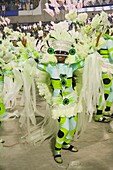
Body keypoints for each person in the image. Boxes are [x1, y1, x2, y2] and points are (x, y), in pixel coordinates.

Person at [94, 29, 113, 123]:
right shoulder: (109, 41)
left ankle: (107, 110)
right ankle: (99, 114)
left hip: (103, 69)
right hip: (107, 70)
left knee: (110, 91)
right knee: (105, 92)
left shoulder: (99, 40)